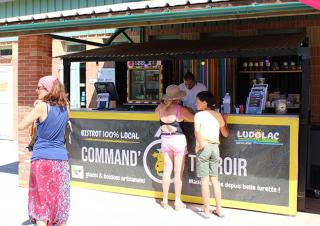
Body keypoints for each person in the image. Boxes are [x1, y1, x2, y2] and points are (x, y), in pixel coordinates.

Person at [18, 75, 70, 226]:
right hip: (61, 161)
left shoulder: (41, 107)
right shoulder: (66, 106)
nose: (36, 90)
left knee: (42, 203)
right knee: (60, 204)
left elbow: (21, 125)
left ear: (48, 89)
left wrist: (37, 108)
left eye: (39, 87)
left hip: (42, 160)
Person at [155, 84, 194, 211]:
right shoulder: (180, 109)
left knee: (166, 171)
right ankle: (177, 202)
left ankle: (165, 200)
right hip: (178, 140)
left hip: (165, 139)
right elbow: (194, 119)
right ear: (177, 98)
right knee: (178, 173)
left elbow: (157, 115)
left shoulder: (159, 108)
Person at [194, 91, 229, 218]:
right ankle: (219, 210)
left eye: (197, 102)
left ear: (204, 103)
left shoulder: (199, 115)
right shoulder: (218, 115)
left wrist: (199, 144)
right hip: (215, 148)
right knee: (214, 180)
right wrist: (225, 121)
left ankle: (207, 211)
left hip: (204, 148)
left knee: (204, 181)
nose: (195, 104)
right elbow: (225, 134)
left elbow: (197, 131)